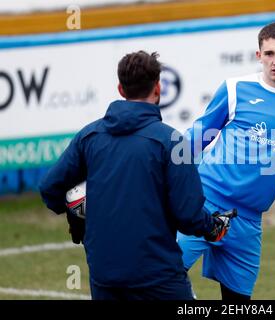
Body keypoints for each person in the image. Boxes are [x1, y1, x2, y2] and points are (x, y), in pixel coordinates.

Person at [39, 50, 234, 300]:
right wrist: (213, 227)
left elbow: (50, 189)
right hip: (158, 276)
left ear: (120, 89)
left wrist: (77, 213)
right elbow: (189, 215)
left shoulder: (89, 136)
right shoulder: (172, 141)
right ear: (158, 88)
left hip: (104, 274)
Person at [177, 22, 275, 300]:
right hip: (202, 203)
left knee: (238, 302)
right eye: (270, 53)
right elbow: (197, 138)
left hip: (249, 220)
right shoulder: (235, 89)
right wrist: (160, 168)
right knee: (163, 276)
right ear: (258, 55)